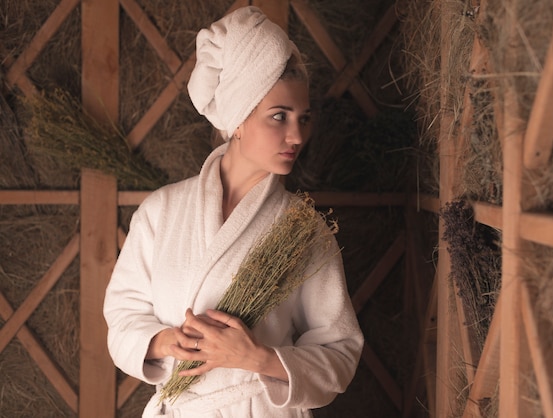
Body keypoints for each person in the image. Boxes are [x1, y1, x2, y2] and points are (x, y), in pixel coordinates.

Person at [103, 6, 364, 418]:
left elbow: (340, 355)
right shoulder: (160, 212)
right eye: (279, 117)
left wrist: (257, 358)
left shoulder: (303, 231)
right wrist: (163, 342)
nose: (296, 136)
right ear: (238, 119)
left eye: (304, 118)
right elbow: (122, 319)